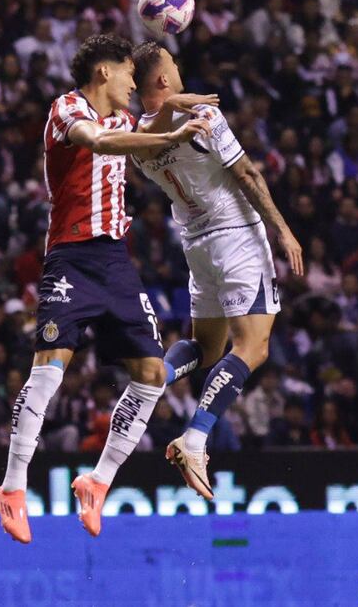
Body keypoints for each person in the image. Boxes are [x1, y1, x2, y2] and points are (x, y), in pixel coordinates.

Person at [0, 33, 211, 544]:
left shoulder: (124, 118)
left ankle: (98, 480)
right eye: (128, 72)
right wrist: (171, 137)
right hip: (70, 257)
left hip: (114, 261)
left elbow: (141, 124)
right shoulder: (67, 109)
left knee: (153, 374)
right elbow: (101, 142)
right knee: (49, 369)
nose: (135, 82)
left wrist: (175, 104)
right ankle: (12, 486)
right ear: (103, 73)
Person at [129, 41, 304, 499]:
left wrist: (167, 107)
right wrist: (283, 229)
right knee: (255, 347)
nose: (179, 69)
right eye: (172, 65)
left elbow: (157, 129)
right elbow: (248, 174)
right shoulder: (204, 116)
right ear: (164, 80)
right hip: (237, 236)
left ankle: (156, 376)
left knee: (207, 351)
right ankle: (196, 438)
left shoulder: (137, 142)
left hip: (196, 245)